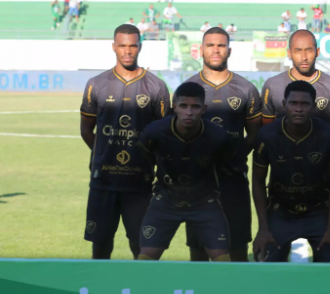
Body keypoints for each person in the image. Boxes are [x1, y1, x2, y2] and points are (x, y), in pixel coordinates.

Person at [79, 24, 170, 260]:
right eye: (122, 46)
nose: (127, 51)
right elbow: (86, 130)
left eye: (132, 46)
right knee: (100, 247)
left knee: (141, 247)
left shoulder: (156, 86)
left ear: (139, 47)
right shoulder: (96, 84)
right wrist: (104, 152)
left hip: (140, 183)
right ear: (113, 47)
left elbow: (164, 135)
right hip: (104, 182)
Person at [182, 28, 262, 262]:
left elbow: (255, 132)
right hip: (197, 185)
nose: (215, 50)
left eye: (220, 45)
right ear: (201, 50)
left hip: (233, 183)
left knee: (237, 251)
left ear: (229, 50)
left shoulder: (246, 88)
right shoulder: (189, 88)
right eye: (210, 45)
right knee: (198, 253)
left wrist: (237, 155)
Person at [136, 82, 237, 262]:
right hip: (166, 201)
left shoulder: (218, 136)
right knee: (145, 260)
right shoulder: (155, 131)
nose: (189, 112)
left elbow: (226, 169)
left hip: (205, 203)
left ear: (203, 109)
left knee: (223, 263)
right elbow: (144, 158)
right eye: (183, 106)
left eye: (195, 107)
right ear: (174, 107)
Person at [251, 80, 330, 262]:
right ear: (284, 104)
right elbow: (258, 182)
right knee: (269, 266)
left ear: (314, 106)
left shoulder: (329, 134)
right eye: (294, 103)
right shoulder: (267, 135)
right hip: (280, 210)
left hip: (318, 210)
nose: (299, 109)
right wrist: (263, 228)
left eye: (305, 104)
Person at [261, 30, 330, 130]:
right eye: (298, 51)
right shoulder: (272, 86)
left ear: (317, 52)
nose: (304, 57)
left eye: (309, 50)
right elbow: (266, 130)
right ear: (289, 53)